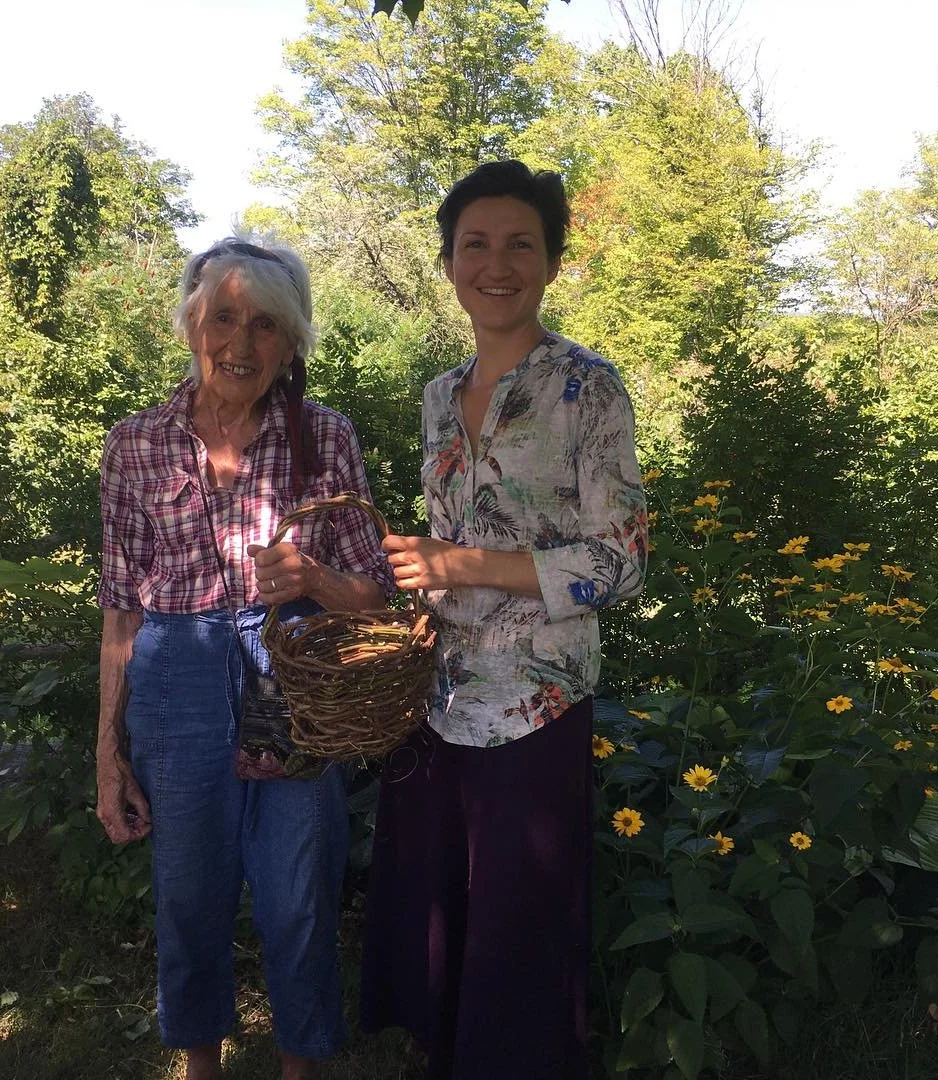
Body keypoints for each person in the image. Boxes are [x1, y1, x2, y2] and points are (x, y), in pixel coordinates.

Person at [363, 161, 648, 1079]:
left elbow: (622, 562)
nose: (497, 264)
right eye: (475, 244)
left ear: (552, 262)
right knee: (441, 913)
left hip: (536, 703)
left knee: (521, 927)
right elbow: (442, 545)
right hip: (437, 699)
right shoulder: (437, 396)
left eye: (521, 243)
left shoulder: (588, 390)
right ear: (449, 263)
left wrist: (466, 565)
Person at [94, 234, 393, 1080]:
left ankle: (301, 1067)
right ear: (191, 325)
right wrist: (107, 754)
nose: (241, 342)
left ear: (292, 342)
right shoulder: (136, 444)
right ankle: (201, 1066)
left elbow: (376, 595)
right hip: (174, 671)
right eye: (223, 318)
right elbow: (119, 607)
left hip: (293, 676)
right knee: (188, 894)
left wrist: (316, 579)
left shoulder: (324, 437)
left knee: (299, 894)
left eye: (265, 324)